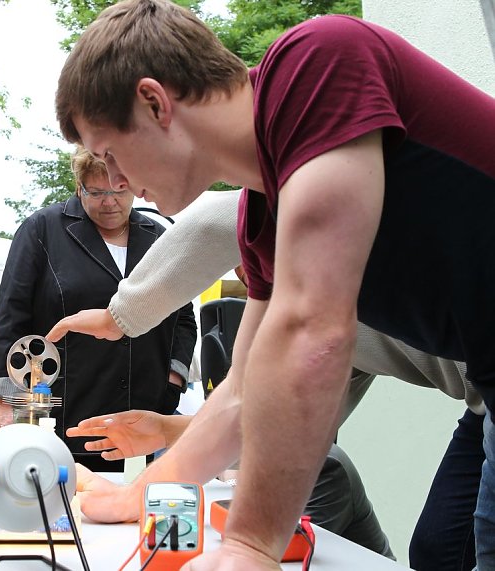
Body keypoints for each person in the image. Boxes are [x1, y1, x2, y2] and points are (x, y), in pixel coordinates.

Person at [54, 2, 495, 567]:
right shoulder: (262, 220)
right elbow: (244, 391)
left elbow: (314, 329)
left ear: (154, 102)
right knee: (441, 552)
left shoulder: (318, 62)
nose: (116, 184)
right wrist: (137, 495)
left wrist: (249, 544)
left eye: (109, 153)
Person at [51, 189, 485, 563]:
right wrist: (167, 429)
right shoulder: (321, 329)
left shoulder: (314, 239)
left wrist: (119, 317)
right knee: (439, 549)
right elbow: (278, 419)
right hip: (482, 402)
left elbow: (217, 217)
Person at [0, 146, 196, 471]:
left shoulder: (161, 238)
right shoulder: (42, 231)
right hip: (62, 410)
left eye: (119, 190)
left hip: (141, 414)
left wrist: (173, 379)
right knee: (61, 503)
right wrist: (7, 401)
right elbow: (10, 318)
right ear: (79, 187)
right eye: (97, 192)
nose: (109, 201)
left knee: (126, 507)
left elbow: (183, 316)